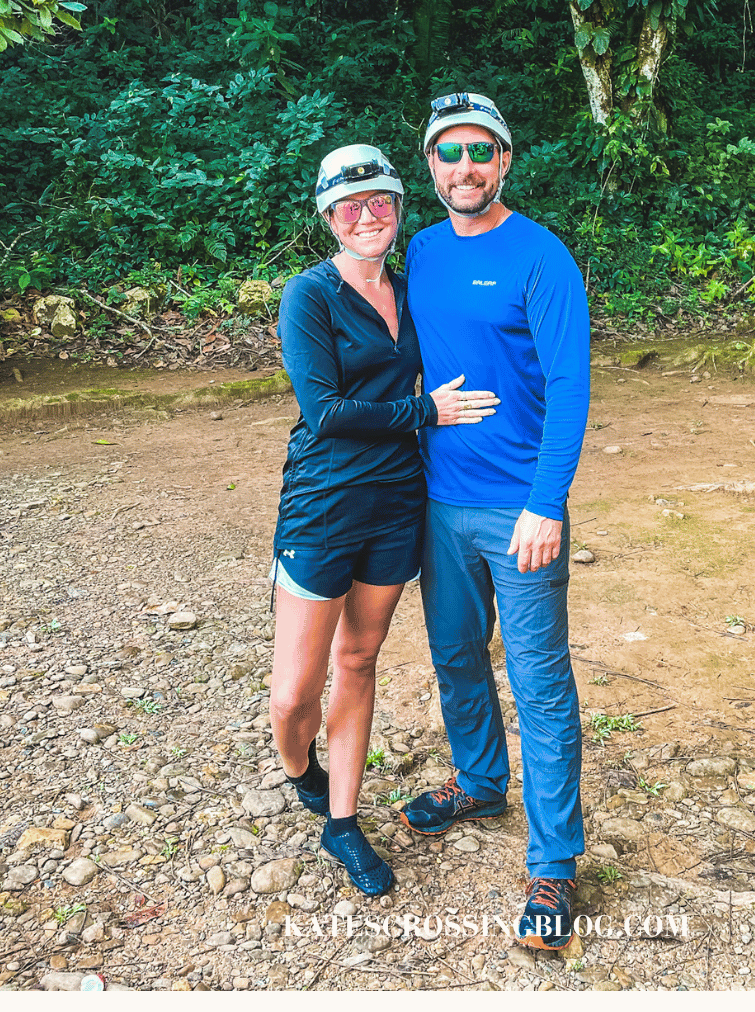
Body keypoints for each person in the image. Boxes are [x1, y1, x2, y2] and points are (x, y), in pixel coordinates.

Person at [268, 142, 499, 898]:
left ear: (399, 210)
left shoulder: (410, 288)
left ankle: (342, 821)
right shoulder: (310, 296)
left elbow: (473, 335)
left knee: (359, 660)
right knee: (294, 692)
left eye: (380, 202)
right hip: (325, 503)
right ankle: (302, 764)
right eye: (350, 205)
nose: (367, 216)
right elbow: (324, 412)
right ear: (330, 218)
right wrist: (424, 411)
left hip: (398, 501)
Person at [402, 94, 591, 949]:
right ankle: (479, 782)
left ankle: (554, 864)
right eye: (450, 154)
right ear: (431, 168)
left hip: (519, 513)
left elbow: (570, 387)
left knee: (541, 685)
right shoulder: (422, 251)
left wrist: (547, 502)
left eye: (481, 151)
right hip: (439, 504)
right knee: (454, 657)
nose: (465, 167)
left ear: (504, 161)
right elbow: (408, 359)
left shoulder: (542, 257)